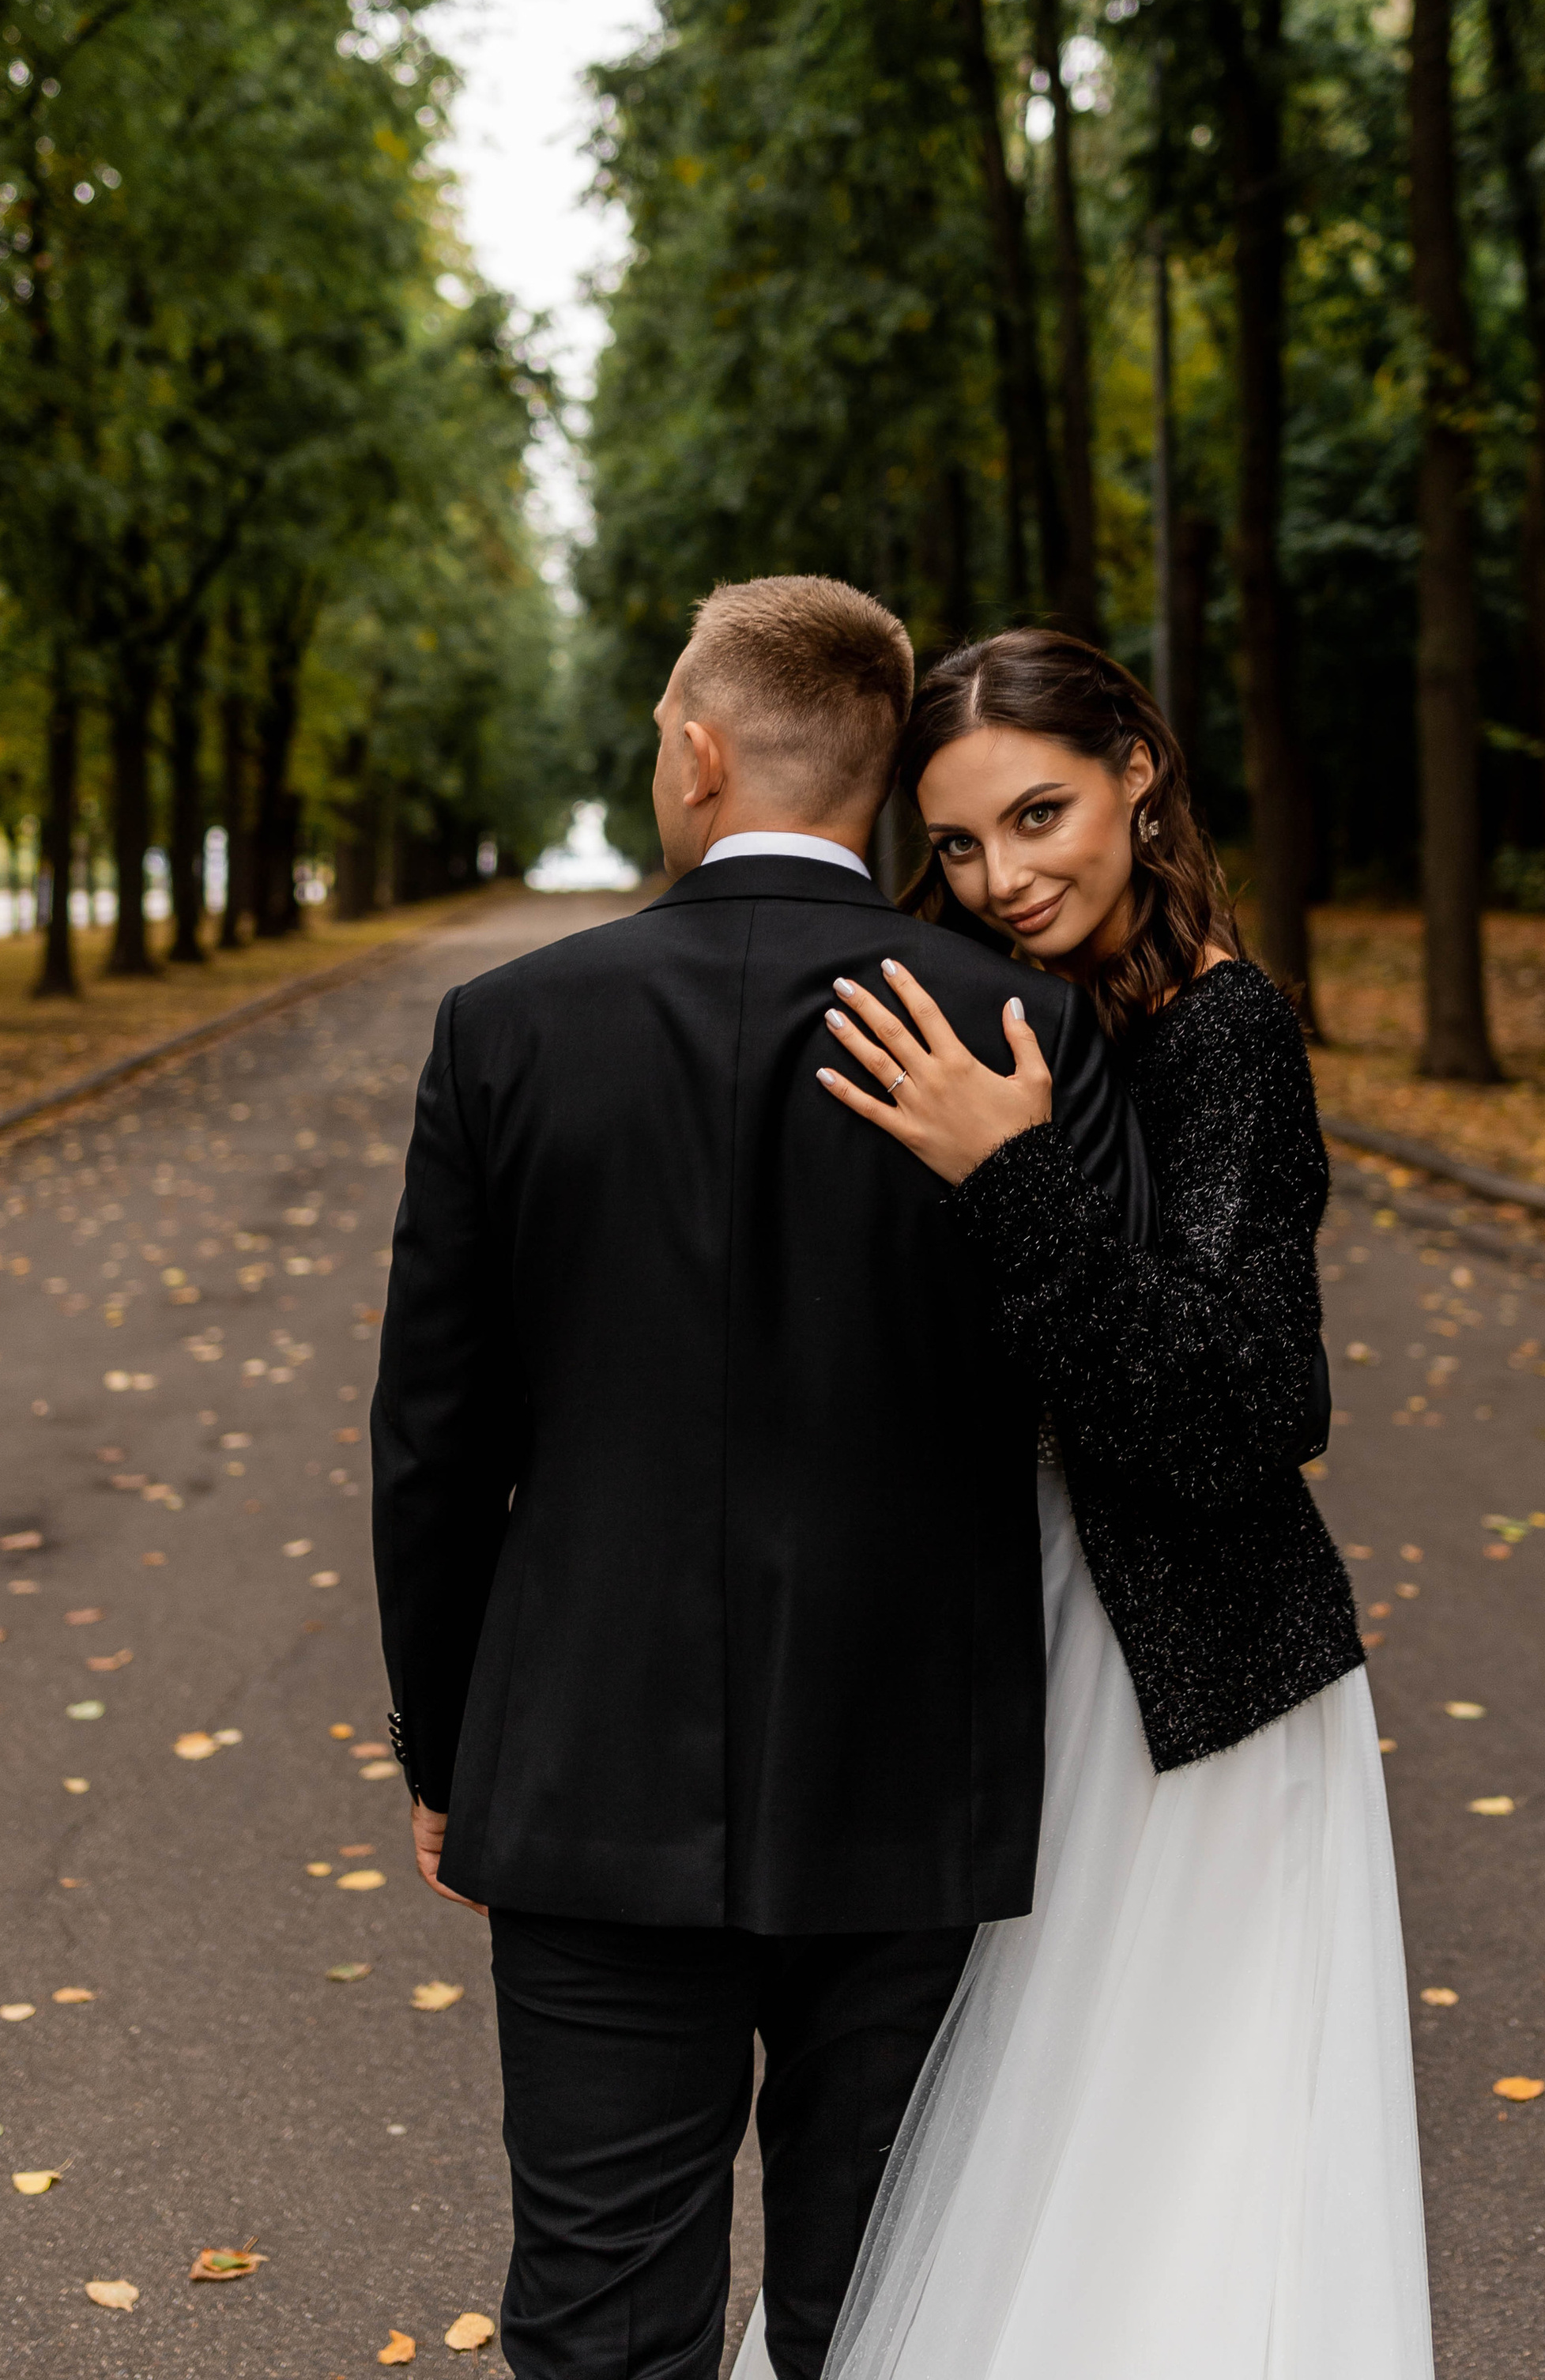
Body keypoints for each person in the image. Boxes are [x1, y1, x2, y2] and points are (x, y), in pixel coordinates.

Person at [370, 576, 1152, 2380]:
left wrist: (444, 1746)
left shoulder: (509, 1029)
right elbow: (1106, 1388)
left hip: (583, 1767)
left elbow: (433, 1441)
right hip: (913, 1767)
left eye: (660, 737)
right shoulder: (1015, 1026)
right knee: (880, 2310)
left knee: (596, 2305)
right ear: (883, 782)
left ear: (700, 754)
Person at [762, 625, 1432, 2380]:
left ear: (1139, 769)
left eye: (1040, 813)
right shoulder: (986, 995)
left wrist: (1013, 1180)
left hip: (1193, 1678)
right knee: (1001, 2114)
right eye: (965, 842)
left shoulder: (1222, 1035)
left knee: (1165, 2140)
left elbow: (1246, 1408)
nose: (1004, 877)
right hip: (1024, 1630)